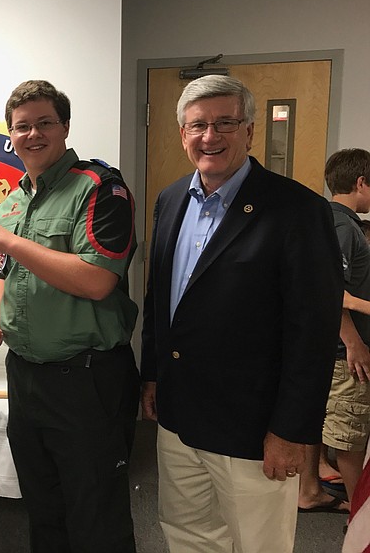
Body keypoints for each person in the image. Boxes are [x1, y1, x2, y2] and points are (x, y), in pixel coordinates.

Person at [140, 74, 343, 553]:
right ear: (183, 134)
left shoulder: (298, 210)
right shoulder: (170, 200)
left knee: (259, 544)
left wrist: (292, 430)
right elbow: (159, 299)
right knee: (188, 535)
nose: (210, 137)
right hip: (179, 419)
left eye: (225, 123)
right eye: (198, 126)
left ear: (250, 131)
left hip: (254, 429)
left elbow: (312, 332)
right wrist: (152, 376)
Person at [0, 80, 140, 552]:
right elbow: (5, 276)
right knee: (42, 505)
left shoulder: (101, 187)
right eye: (22, 126)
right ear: (11, 135)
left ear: (64, 126)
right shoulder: (15, 197)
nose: (34, 134)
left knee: (96, 512)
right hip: (26, 378)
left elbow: (96, 280)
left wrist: (10, 241)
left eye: (45, 123)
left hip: (86, 380)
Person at [299, 148, 370, 517]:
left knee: (323, 416)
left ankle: (310, 487)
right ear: (360, 183)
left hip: (331, 346)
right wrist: (354, 341)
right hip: (345, 349)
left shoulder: (332, 219)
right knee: (349, 431)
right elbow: (329, 289)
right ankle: (362, 517)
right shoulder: (342, 225)